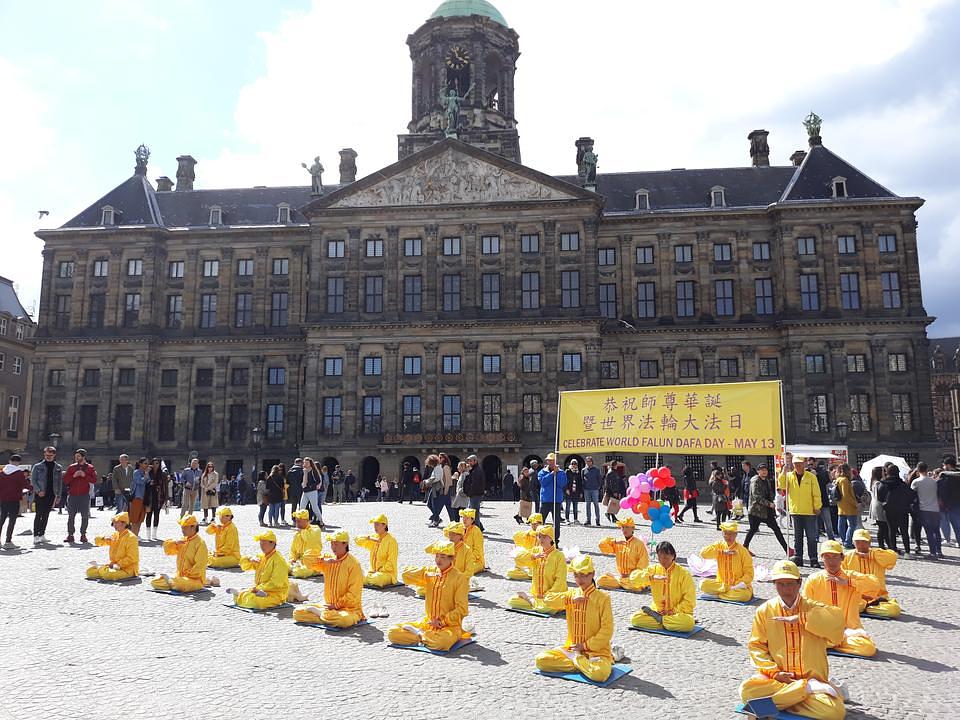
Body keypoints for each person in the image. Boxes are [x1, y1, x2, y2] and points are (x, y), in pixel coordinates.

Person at [739, 560, 846, 720]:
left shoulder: (813, 608)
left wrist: (803, 618)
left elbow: (837, 621)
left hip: (811, 680)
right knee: (747, 690)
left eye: (790, 583)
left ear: (799, 583)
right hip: (779, 682)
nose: (786, 589)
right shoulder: (764, 611)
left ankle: (767, 706)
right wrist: (775, 673)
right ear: (774, 584)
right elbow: (756, 647)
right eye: (780, 584)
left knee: (834, 712)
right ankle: (800, 694)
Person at [534, 554, 614, 683]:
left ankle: (578, 662)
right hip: (572, 649)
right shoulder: (572, 594)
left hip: (596, 653)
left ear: (592, 574)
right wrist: (570, 600)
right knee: (541, 660)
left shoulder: (603, 598)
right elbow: (548, 599)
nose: (579, 579)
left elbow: (607, 630)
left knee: (600, 674)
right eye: (576, 575)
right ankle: (582, 665)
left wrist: (584, 646)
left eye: (584, 575)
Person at [387, 541, 471, 651]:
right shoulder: (431, 572)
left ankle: (421, 636)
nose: (438, 560)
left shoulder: (460, 579)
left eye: (443, 557)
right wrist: (426, 571)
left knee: (442, 642)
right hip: (428, 623)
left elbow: (462, 609)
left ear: (452, 559)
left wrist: (442, 622)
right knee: (392, 632)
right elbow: (405, 575)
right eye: (436, 556)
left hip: (449, 627)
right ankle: (424, 636)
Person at [801, 540, 880, 657]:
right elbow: (804, 606)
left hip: (849, 630)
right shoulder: (814, 579)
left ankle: (831, 643)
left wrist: (848, 582)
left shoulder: (850, 576)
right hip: (822, 629)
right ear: (822, 559)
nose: (831, 561)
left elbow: (875, 585)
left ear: (842, 558)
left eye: (835, 557)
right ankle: (833, 642)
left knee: (867, 648)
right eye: (827, 557)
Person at [292, 530, 365, 626]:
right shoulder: (328, 559)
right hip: (327, 605)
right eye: (332, 544)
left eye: (336, 544)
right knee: (297, 612)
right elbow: (307, 560)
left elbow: (353, 593)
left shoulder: (354, 564)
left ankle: (322, 615)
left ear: (345, 544)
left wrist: (336, 605)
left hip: (348, 609)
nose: (333, 547)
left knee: (343, 620)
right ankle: (326, 616)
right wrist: (323, 561)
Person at [629, 541, 696, 633]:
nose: (662, 560)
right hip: (657, 611)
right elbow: (633, 578)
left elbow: (689, 600)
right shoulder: (654, 569)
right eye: (659, 557)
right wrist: (651, 577)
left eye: (665, 557)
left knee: (688, 623)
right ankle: (667, 623)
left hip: (677, 613)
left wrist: (674, 611)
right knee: (635, 619)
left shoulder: (684, 574)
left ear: (673, 556)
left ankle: (661, 620)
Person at [508, 525, 567, 613]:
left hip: (552, 596)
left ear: (551, 538)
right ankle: (534, 602)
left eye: (544, 537)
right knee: (512, 601)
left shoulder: (559, 556)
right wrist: (533, 556)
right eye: (539, 537)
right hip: (536, 596)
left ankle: (530, 601)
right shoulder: (536, 551)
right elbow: (519, 558)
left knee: (546, 607)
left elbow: (560, 580)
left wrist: (548, 595)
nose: (541, 539)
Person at [842, 529, 900, 618]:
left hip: (878, 597)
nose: (861, 545)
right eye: (858, 542)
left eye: (864, 542)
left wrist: (871, 555)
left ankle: (865, 608)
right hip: (856, 597)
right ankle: (867, 608)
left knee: (893, 610)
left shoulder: (877, 554)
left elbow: (893, 557)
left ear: (869, 542)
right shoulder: (847, 556)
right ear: (853, 542)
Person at [778, 456, 822, 568]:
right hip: (795, 510)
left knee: (811, 537)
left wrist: (817, 506)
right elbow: (782, 486)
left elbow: (816, 493)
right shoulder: (789, 476)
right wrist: (783, 472)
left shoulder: (811, 477)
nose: (797, 465)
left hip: (809, 511)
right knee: (797, 537)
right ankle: (798, 557)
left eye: (800, 463)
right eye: (795, 463)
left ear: (804, 464)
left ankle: (813, 558)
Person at [229, 530, 290, 609]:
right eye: (261, 544)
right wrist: (249, 559)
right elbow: (244, 566)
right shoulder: (262, 557)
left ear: (273, 543)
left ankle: (242, 592)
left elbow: (276, 583)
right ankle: (243, 592)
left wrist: (258, 588)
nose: (262, 546)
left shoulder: (279, 560)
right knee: (244, 596)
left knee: (254, 602)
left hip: (276, 594)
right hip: (260, 591)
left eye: (264, 544)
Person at [699, 521, 754, 602]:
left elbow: (749, 574)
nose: (728, 536)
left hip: (737, 586)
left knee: (744, 596)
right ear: (722, 534)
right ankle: (726, 593)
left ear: (736, 534)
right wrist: (721, 552)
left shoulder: (743, 551)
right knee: (702, 584)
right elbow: (703, 553)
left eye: (731, 533)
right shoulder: (719, 545)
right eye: (725, 533)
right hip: (722, 584)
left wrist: (739, 583)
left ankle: (718, 595)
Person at [152, 515, 210, 592]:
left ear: (193, 527)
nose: (182, 530)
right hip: (180, 577)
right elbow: (168, 550)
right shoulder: (182, 540)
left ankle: (173, 582)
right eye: (182, 527)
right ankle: (172, 582)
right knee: (155, 581)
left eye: (185, 527)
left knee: (179, 583)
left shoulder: (200, 543)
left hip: (194, 580)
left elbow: (200, 566)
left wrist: (188, 574)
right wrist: (175, 543)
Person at [743, 463, 789, 557]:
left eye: (766, 470)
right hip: (756, 511)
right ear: (758, 471)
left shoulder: (766, 481)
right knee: (753, 529)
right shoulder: (755, 481)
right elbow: (756, 496)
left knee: (776, 529)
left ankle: (787, 549)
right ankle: (744, 548)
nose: (764, 471)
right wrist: (769, 504)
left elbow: (769, 493)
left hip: (766, 511)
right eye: (762, 470)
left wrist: (773, 500)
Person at [597, 517, 650, 591]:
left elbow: (643, 563)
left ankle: (623, 584)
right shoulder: (618, 541)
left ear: (633, 529)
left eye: (627, 527)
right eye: (623, 527)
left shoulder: (639, 544)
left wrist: (634, 576)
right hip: (621, 577)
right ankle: (622, 583)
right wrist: (613, 541)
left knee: (636, 586)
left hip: (633, 578)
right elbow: (601, 545)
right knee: (600, 581)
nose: (625, 529)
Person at [87, 512, 139, 581]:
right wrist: (103, 538)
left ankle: (103, 570)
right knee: (89, 572)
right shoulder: (115, 535)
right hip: (114, 566)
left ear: (124, 523)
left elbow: (132, 558)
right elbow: (97, 542)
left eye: (116, 523)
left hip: (128, 570)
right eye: (113, 523)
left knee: (108, 574)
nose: (114, 525)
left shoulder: (131, 538)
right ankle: (103, 570)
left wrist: (118, 564)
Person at [876, 466, 913, 555]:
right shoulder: (903, 484)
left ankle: (893, 550)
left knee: (891, 530)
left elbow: (879, 497)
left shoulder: (883, 483)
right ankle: (907, 551)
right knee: (904, 531)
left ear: (887, 472)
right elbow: (910, 496)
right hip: (902, 509)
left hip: (889, 509)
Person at [62, 449, 97, 544]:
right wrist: (73, 476)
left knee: (85, 516)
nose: (76, 458)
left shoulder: (90, 468)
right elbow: (65, 481)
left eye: (78, 456)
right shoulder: (71, 467)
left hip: (84, 495)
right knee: (71, 516)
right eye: (75, 456)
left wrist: (84, 475)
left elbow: (94, 480)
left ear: (83, 457)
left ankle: (83, 534)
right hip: (72, 495)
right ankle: (70, 535)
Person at [30, 446, 63, 545]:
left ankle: (42, 534)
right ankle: (36, 535)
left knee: (46, 515)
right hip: (40, 494)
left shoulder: (58, 467)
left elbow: (59, 483)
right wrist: (38, 490)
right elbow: (33, 480)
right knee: (39, 514)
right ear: (44, 454)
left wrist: (58, 495)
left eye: (50, 455)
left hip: (52, 493)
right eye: (47, 455)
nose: (48, 457)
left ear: (54, 455)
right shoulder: (37, 466)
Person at [356, 513, 399, 587]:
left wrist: (381, 570)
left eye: (377, 525)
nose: (375, 527)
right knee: (359, 575)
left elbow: (391, 562)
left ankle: (366, 579)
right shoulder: (374, 537)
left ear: (384, 525)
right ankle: (366, 578)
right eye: (374, 525)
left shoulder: (391, 540)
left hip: (387, 574)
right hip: (373, 572)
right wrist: (368, 538)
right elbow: (357, 540)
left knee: (378, 579)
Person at [911, 462, 943, 559]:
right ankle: (939, 551)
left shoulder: (916, 482)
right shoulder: (934, 481)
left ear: (917, 469)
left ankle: (932, 553)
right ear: (927, 469)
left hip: (924, 509)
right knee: (936, 531)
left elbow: (912, 495)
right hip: (935, 508)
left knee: (929, 531)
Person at [1, 454, 31, 548]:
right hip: (14, 499)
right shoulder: (18, 473)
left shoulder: (2, 472)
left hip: (3, 499)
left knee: (1, 519)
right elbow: (26, 485)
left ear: (9, 461)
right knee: (12, 520)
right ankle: (8, 541)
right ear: (18, 463)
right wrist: (35, 488)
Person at [538, 453, 568, 545]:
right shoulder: (542, 472)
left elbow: (562, 484)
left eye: (552, 460)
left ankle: (555, 541)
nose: (550, 462)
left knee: (556, 523)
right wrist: (552, 474)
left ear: (555, 461)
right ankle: (539, 540)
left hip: (556, 500)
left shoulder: (562, 473)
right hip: (545, 500)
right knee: (540, 521)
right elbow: (543, 482)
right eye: (548, 460)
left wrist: (557, 473)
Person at [287, 509, 324, 578]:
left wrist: (301, 531)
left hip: (312, 561)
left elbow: (309, 539)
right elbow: (293, 549)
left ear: (307, 521)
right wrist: (292, 559)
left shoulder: (315, 530)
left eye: (299, 521)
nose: (297, 524)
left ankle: (314, 571)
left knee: (299, 572)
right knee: (284, 567)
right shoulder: (297, 533)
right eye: (296, 521)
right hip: (299, 561)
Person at [507, 513, 543, 580]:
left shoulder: (545, 534)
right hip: (529, 560)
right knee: (510, 572)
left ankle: (532, 574)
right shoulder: (527, 534)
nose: (533, 526)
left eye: (535, 524)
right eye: (531, 524)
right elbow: (519, 543)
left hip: (539, 561)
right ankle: (530, 574)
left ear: (540, 523)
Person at [833, 464, 859, 549]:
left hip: (841, 506)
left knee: (841, 524)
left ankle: (844, 540)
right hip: (849, 507)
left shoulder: (838, 480)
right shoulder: (844, 480)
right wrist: (855, 503)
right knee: (852, 525)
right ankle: (847, 541)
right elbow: (846, 495)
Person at [144, 458, 168, 541]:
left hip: (159, 497)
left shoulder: (163, 474)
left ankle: (154, 533)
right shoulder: (148, 473)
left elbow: (165, 486)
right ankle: (148, 533)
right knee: (149, 514)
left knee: (156, 514)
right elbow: (144, 482)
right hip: (149, 496)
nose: (155, 465)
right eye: (153, 463)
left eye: (157, 463)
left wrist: (166, 498)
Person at [939, 455, 960, 545]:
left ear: (948, 465)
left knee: (955, 525)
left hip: (951, 504)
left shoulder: (946, 476)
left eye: (944, 465)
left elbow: (943, 491)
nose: (943, 467)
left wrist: (944, 503)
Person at [301, 457, 325, 528]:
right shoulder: (304, 470)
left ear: (310, 463)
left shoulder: (313, 471)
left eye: (307, 462)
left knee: (314, 507)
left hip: (312, 491)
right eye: (305, 462)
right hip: (305, 491)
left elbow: (318, 480)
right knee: (302, 507)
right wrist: (305, 474)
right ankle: (302, 523)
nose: (305, 464)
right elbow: (303, 483)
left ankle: (321, 521)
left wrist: (312, 486)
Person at [464, 455, 486, 531]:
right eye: (468, 461)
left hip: (475, 494)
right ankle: (480, 527)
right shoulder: (474, 470)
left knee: (474, 513)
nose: (469, 463)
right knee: (473, 511)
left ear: (475, 461)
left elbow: (475, 484)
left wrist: (470, 492)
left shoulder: (477, 471)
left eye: (470, 461)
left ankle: (477, 529)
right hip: (474, 494)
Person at [128, 458, 149, 537]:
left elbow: (148, 482)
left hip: (144, 498)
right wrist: (146, 476)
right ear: (140, 464)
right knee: (134, 519)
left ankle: (136, 535)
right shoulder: (136, 472)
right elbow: (139, 481)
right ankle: (133, 536)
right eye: (145, 463)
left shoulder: (146, 473)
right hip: (137, 497)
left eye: (147, 463)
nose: (147, 465)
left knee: (140, 519)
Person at [582, 456, 603, 527]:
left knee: (596, 504)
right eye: (587, 461)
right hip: (586, 489)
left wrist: (598, 487)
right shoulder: (583, 470)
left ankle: (597, 519)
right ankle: (588, 520)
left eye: (589, 461)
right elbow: (582, 479)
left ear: (592, 462)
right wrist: (583, 487)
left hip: (594, 489)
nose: (588, 463)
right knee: (588, 505)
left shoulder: (596, 470)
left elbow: (600, 479)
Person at [563, 459, 581, 524]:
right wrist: (566, 489)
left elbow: (580, 482)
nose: (574, 465)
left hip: (576, 491)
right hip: (569, 491)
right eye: (573, 464)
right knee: (568, 506)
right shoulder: (567, 471)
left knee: (575, 506)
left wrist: (580, 492)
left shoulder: (578, 472)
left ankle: (575, 519)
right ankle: (567, 519)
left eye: (575, 464)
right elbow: (565, 481)